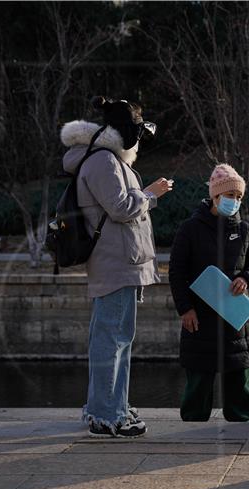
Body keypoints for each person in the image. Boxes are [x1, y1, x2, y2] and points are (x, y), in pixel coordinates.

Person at [61, 96, 173, 438]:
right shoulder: (102, 162)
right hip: (115, 263)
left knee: (116, 339)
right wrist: (152, 194)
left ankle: (113, 406)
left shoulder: (104, 160)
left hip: (122, 262)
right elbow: (122, 208)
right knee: (111, 340)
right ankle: (107, 414)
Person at [168, 164, 249, 422]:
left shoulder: (244, 230)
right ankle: (192, 428)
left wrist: (246, 277)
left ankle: (240, 427)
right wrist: (185, 309)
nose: (235, 201)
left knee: (238, 381)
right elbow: (176, 272)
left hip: (236, 318)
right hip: (200, 318)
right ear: (215, 196)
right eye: (231, 195)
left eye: (239, 197)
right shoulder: (190, 229)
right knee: (198, 383)